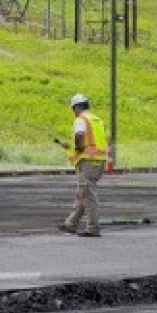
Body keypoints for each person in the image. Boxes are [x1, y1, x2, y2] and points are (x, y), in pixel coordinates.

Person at [55, 93, 107, 238]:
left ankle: (93, 228)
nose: (73, 112)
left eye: (73, 109)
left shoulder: (81, 119)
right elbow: (91, 141)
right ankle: (70, 224)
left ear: (76, 107)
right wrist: (69, 146)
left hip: (88, 161)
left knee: (88, 194)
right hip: (99, 160)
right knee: (83, 193)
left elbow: (79, 136)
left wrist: (76, 148)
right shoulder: (96, 120)